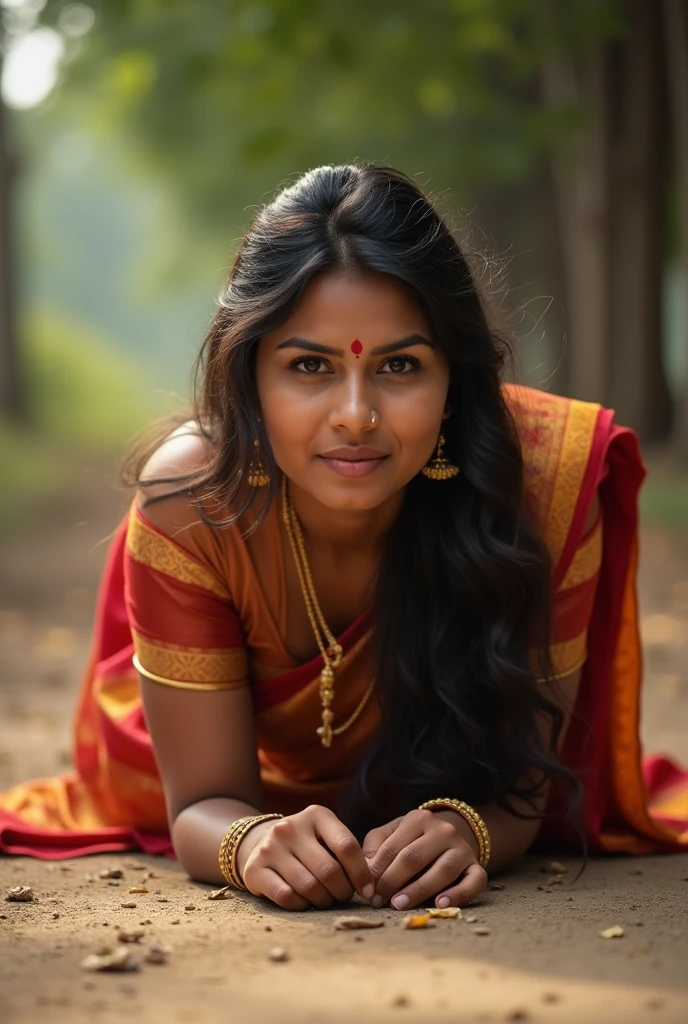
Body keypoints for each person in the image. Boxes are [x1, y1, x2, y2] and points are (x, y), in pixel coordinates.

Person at [1, 164, 686, 913]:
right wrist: (252, 840)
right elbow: (200, 804)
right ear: (249, 375)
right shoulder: (194, 506)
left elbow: (525, 791)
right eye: (309, 366)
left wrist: (470, 826)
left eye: (399, 365)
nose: (356, 415)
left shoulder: (546, 488)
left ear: (454, 380)